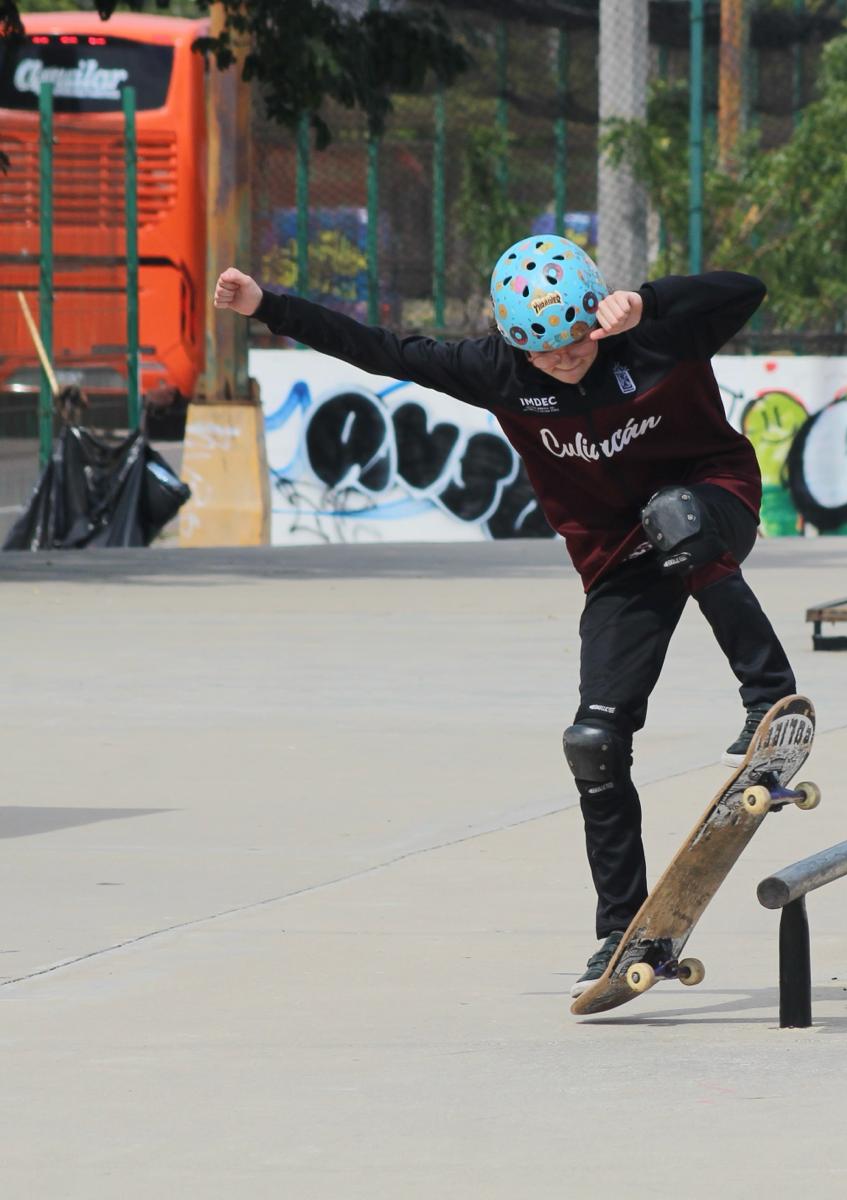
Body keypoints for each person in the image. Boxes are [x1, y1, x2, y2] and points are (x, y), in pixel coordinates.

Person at [214, 236, 797, 996]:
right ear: (516, 344)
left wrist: (647, 302)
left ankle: (768, 698)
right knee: (593, 741)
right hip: (619, 562)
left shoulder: (652, 333)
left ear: (596, 312)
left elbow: (745, 286)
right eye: (543, 353)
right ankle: (622, 931)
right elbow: (383, 350)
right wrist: (269, 307)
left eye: (573, 343)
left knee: (675, 516)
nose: (562, 361)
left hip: (713, 504)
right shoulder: (499, 372)